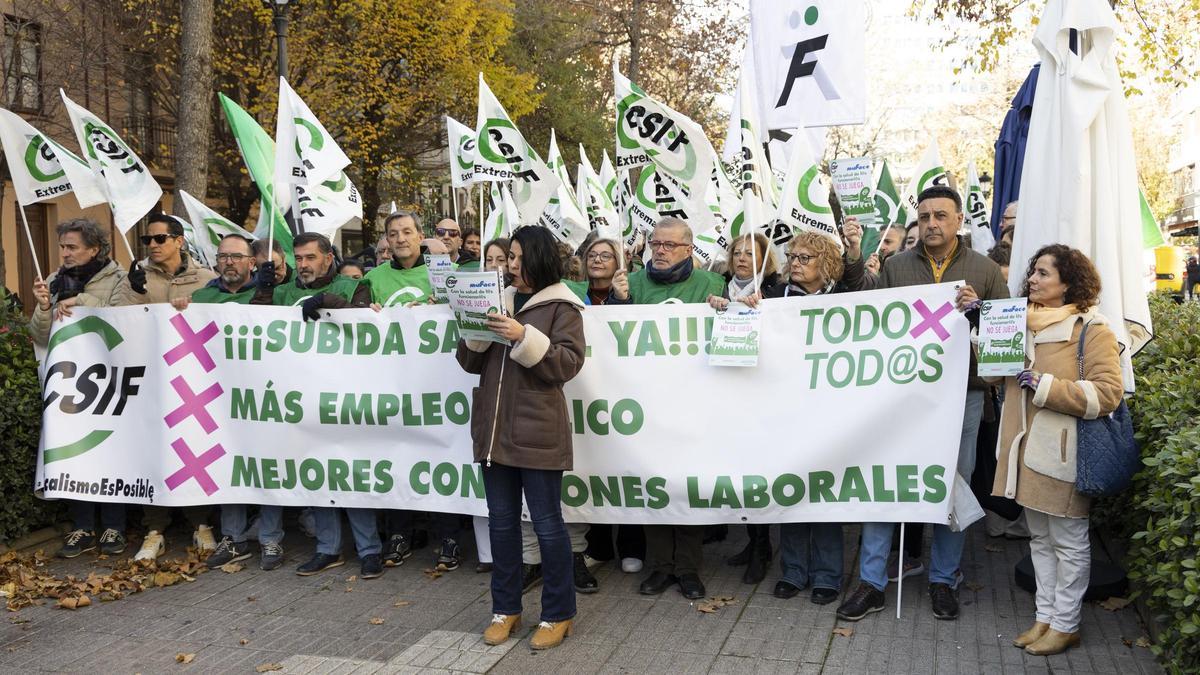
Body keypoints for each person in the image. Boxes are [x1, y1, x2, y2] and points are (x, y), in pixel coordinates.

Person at [837, 185, 1008, 623]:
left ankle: (942, 578)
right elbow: (866, 307)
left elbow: (1005, 339)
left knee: (954, 483)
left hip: (964, 396)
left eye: (941, 216)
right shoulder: (896, 266)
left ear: (958, 222)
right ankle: (872, 582)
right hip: (903, 395)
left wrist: (981, 311)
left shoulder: (985, 270)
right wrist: (854, 253)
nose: (932, 223)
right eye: (926, 215)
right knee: (884, 479)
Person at [457, 225, 586, 650]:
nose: (507, 265)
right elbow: (470, 365)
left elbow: (566, 364)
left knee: (548, 527)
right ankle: (505, 608)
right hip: (494, 434)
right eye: (506, 257)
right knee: (501, 526)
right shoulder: (501, 300)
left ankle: (557, 614)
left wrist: (521, 335)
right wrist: (474, 328)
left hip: (538, 433)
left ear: (536, 258)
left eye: (514, 257)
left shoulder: (563, 306)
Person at [995, 245, 1122, 656]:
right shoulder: (1022, 323)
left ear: (1068, 283)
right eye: (1033, 271)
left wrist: (1044, 385)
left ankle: (1066, 624)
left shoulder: (1092, 329)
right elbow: (998, 375)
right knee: (1039, 540)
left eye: (1043, 273)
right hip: (1023, 450)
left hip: (1063, 454)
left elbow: (1108, 394)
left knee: (1068, 541)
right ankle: (1044, 618)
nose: (1032, 278)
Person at [630, 217, 724, 600]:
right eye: (656, 244)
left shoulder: (711, 286)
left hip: (693, 405)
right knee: (655, 487)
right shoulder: (633, 284)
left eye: (670, 245)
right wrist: (617, 302)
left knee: (687, 488)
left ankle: (687, 568)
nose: (661, 251)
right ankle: (659, 567)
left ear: (688, 249)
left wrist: (727, 308)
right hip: (647, 404)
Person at [32, 219, 134, 558]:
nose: (65, 253)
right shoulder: (52, 281)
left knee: (110, 453)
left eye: (72, 246)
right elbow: (40, 335)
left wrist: (82, 299)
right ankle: (82, 526)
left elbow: (126, 318)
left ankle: (114, 527)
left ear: (94, 248)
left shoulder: (118, 278)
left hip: (111, 381)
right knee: (78, 453)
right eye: (62, 246)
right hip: (69, 386)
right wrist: (46, 307)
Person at [363, 211, 435, 308]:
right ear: (388, 241)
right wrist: (370, 314)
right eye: (393, 234)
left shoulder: (449, 271)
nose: (400, 239)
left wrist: (444, 308)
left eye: (407, 232)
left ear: (421, 237)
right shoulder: (371, 278)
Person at [187, 234, 259, 305]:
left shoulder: (267, 295)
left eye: (237, 256)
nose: (229, 262)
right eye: (222, 256)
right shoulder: (200, 297)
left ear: (251, 263)